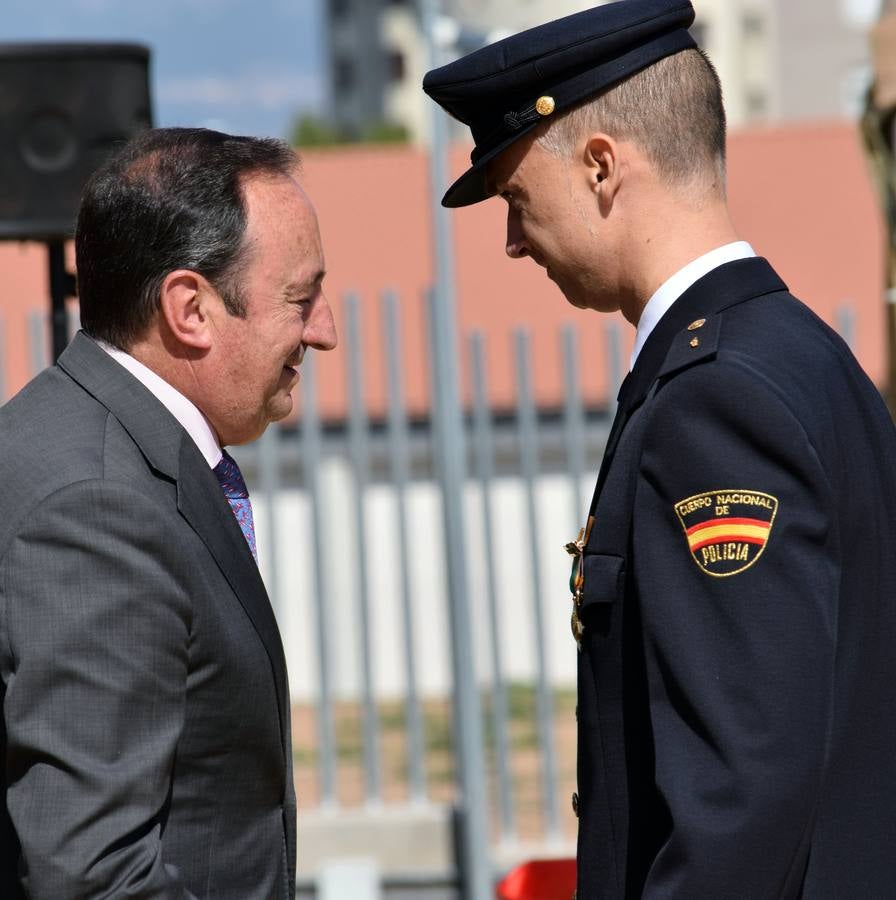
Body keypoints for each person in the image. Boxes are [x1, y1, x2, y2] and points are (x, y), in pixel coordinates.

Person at [424, 1, 896, 897]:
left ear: (601, 166)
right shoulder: (803, 355)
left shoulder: (715, 400)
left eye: (518, 198)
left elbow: (743, 794)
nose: (514, 241)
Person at [0, 128, 337, 898]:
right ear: (190, 308)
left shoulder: (91, 451)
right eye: (300, 297)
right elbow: (98, 876)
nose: (324, 330)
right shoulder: (99, 505)